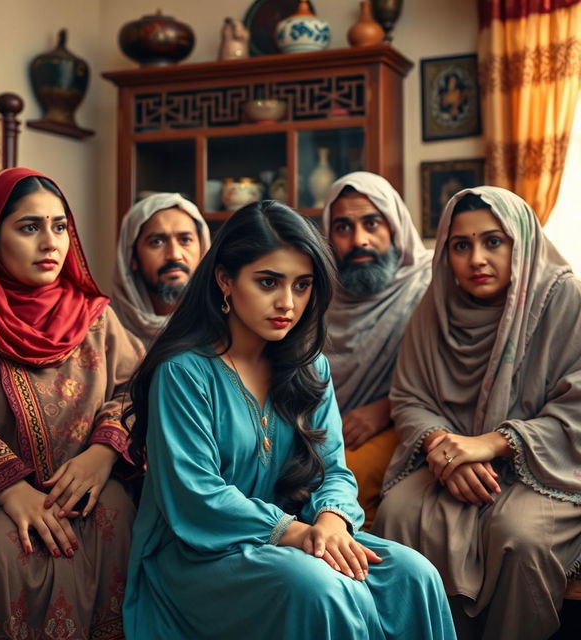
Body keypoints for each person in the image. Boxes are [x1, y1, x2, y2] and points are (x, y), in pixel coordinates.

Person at [122, 200, 456, 640]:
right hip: (200, 555)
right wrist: (293, 533)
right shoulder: (183, 372)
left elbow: (333, 469)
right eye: (268, 282)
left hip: (298, 533)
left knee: (413, 575)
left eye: (302, 286)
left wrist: (332, 522)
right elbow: (194, 496)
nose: (287, 303)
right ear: (225, 279)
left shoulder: (308, 366)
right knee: (322, 588)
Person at [0, 168, 144, 638]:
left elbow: (136, 389)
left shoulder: (93, 316)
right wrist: (11, 490)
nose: (51, 243)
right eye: (29, 227)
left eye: (59, 227)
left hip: (85, 485)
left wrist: (103, 453)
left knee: (116, 510)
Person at [372, 187, 581, 639]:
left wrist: (491, 443)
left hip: (545, 465)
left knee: (521, 535)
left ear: (521, 242)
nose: (477, 259)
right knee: (400, 512)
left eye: (494, 241)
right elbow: (410, 398)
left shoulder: (566, 298)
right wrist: (443, 450)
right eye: (460, 245)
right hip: (452, 458)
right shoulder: (436, 308)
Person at [322, 172, 432, 525]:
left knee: (342, 479)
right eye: (343, 227)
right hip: (321, 426)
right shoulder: (315, 294)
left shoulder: (429, 285)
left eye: (372, 223)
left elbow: (451, 376)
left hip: (405, 423)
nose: (359, 240)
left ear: (395, 227)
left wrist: (384, 409)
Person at [112, 192, 210, 347]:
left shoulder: (223, 324)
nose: (174, 255)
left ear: (203, 250)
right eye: (157, 242)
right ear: (132, 257)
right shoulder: (105, 329)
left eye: (185, 240)